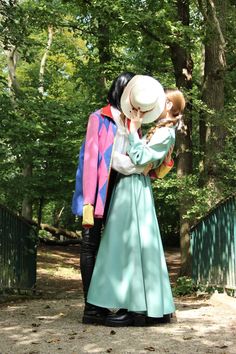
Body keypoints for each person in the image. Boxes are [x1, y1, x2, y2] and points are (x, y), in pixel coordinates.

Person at [71, 73, 174, 325]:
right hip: (98, 190)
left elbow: (138, 156)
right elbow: (91, 158)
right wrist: (88, 199)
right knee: (90, 243)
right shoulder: (99, 117)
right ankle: (92, 308)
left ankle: (119, 302)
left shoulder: (132, 122)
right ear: (121, 90)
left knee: (117, 246)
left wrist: (138, 165)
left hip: (122, 191)